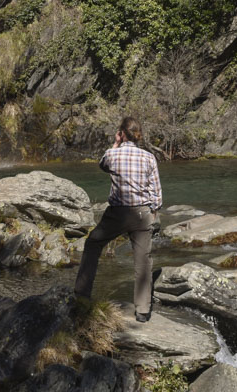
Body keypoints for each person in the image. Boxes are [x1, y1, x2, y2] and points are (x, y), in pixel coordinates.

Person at [73, 116, 162, 322]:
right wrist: (153, 212)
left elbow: (102, 166)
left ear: (121, 134)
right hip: (141, 214)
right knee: (143, 261)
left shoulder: (112, 154)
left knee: (93, 244)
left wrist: (115, 143)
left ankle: (81, 295)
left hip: (117, 214)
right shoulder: (149, 157)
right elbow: (156, 193)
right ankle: (142, 311)